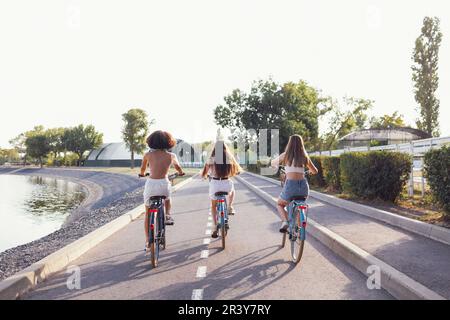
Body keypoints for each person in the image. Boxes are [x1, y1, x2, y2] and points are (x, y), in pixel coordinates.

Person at [140, 130, 185, 248]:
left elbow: (143, 169)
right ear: (168, 142)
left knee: (147, 213)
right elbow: (178, 167)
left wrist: (142, 173)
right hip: (163, 184)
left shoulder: (147, 155)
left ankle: (148, 241)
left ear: (151, 142)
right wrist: (180, 172)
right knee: (167, 198)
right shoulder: (171, 156)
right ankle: (168, 214)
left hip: (151, 185)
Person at [271, 135, 318, 233]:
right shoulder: (304, 156)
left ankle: (285, 221)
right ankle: (300, 227)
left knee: (279, 204)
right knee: (300, 203)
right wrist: (308, 171)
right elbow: (315, 171)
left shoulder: (286, 155)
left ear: (290, 143)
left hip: (291, 186)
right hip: (304, 187)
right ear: (301, 144)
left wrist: (276, 165)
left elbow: (273, 163)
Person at [201, 141, 242, 238]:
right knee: (232, 190)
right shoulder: (230, 158)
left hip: (215, 184)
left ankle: (215, 226)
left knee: (213, 206)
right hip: (226, 184)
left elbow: (204, 173)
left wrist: (205, 176)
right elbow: (237, 170)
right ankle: (230, 206)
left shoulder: (211, 159)